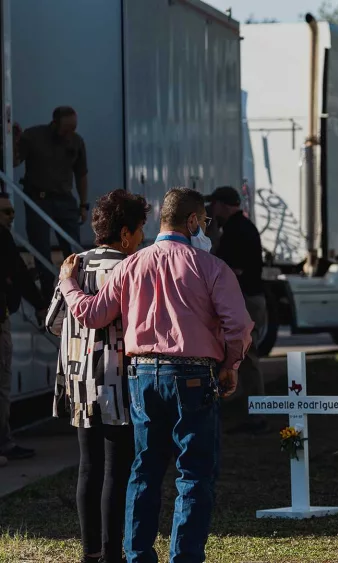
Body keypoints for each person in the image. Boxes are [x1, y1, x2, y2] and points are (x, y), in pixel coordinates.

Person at [58, 187, 252, 563]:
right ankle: (185, 556)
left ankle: (138, 555)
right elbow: (239, 326)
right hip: (194, 374)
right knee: (194, 472)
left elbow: (93, 314)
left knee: (143, 469)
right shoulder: (210, 266)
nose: (206, 228)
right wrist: (231, 365)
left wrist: (67, 282)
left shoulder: (131, 265)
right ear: (193, 221)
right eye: (205, 222)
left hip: (142, 375)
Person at [47, 189, 149, 563]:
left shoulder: (74, 264)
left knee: (88, 467)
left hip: (80, 380)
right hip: (118, 382)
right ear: (125, 233)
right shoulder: (131, 268)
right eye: (140, 230)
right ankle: (111, 553)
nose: (142, 238)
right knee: (117, 469)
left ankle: (90, 553)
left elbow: (53, 322)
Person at [206, 186, 267, 435]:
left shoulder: (235, 230)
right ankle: (250, 410)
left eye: (215, 205)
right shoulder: (242, 226)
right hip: (251, 298)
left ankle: (258, 415)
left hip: (247, 300)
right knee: (244, 356)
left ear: (222, 204)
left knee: (248, 357)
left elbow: (224, 266)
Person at [16, 106, 89, 297]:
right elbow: (14, 161)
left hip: (65, 200)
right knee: (41, 250)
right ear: (54, 123)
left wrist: (83, 204)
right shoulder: (33, 136)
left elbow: (81, 174)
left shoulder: (76, 141)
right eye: (66, 129)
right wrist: (14, 140)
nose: (70, 134)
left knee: (73, 250)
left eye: (73, 128)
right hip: (38, 200)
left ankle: (77, 294)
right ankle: (49, 297)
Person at [0, 192, 46, 465]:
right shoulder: (3, 238)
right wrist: (40, 305)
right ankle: (4, 443)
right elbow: (19, 273)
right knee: (2, 385)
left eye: (12, 212)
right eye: (5, 212)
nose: (11, 217)